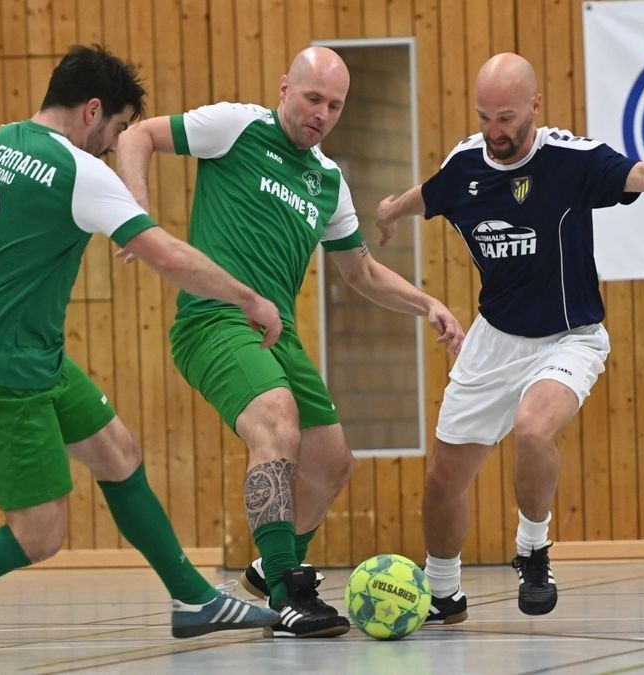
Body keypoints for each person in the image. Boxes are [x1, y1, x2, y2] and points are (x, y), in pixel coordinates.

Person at [0, 45, 284, 664]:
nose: (115, 145)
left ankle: (194, 600)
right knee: (39, 536)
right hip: (5, 372)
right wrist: (249, 297)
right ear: (92, 110)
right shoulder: (78, 173)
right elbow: (165, 254)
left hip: (33, 355)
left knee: (118, 451)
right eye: (117, 129)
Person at [115, 46, 464, 638]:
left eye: (335, 106)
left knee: (331, 462)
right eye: (312, 98)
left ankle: (268, 565)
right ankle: (287, 591)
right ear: (285, 88)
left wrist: (428, 302)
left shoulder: (328, 181)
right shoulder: (236, 126)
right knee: (276, 421)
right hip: (213, 321)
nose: (322, 113)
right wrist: (136, 215)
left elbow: (361, 271)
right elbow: (137, 137)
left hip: (278, 335)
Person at [375, 52, 644, 624]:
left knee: (533, 429)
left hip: (570, 337)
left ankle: (533, 549)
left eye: (507, 118)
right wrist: (391, 211)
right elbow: (430, 193)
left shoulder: (572, 160)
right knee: (443, 481)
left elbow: (642, 173)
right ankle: (443, 593)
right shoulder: (467, 164)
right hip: (494, 339)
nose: (495, 132)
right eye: (484, 117)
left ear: (535, 107)